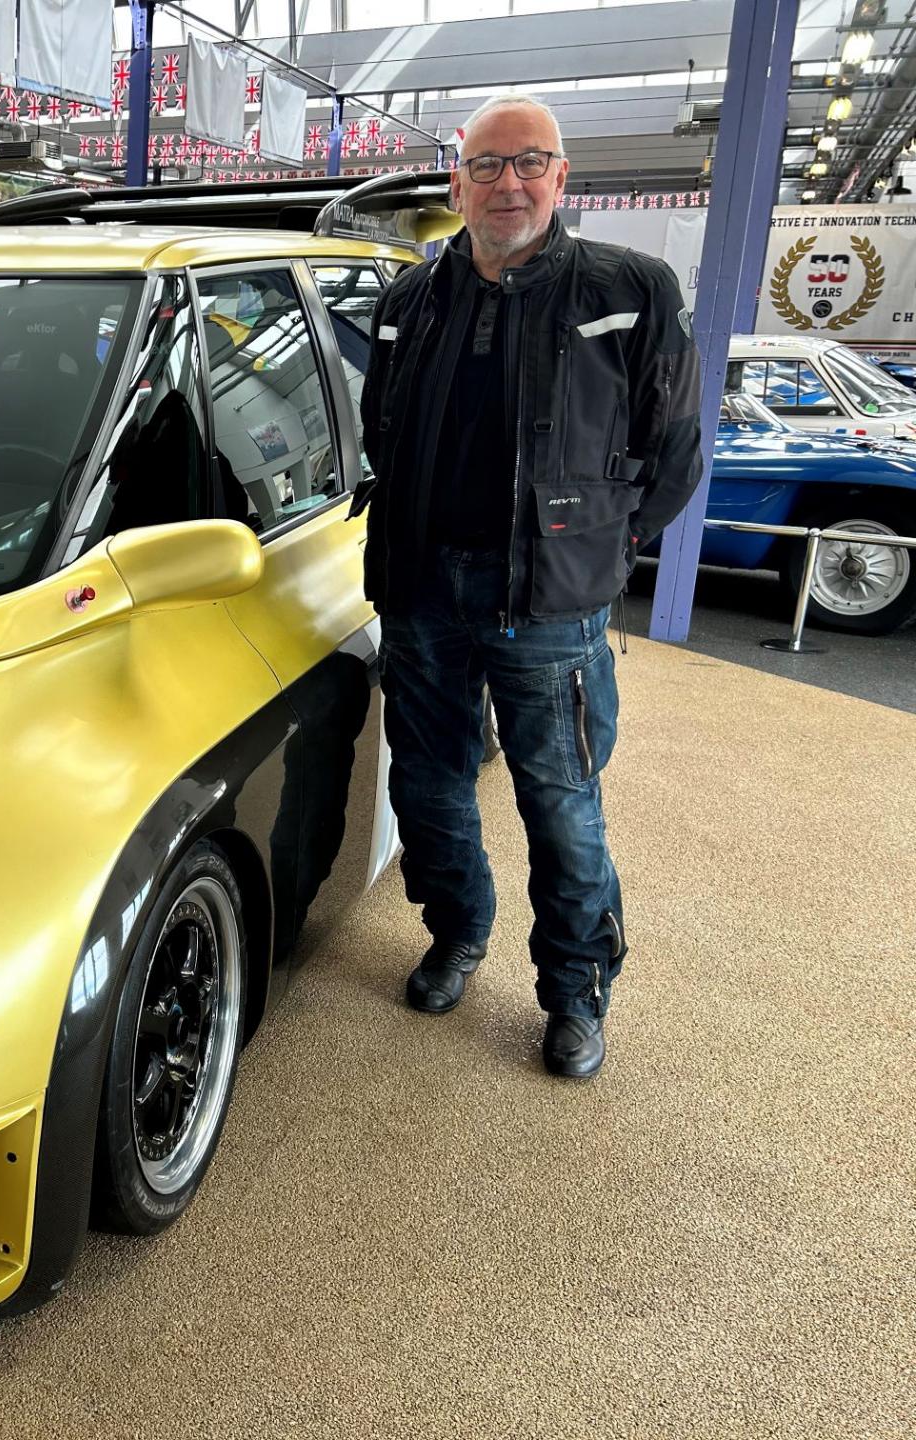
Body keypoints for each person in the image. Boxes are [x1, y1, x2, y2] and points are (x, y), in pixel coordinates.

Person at [354, 94, 701, 1079]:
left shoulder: (628, 290)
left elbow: (676, 448)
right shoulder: (409, 301)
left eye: (529, 163)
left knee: (559, 803)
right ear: (458, 182)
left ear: (560, 176)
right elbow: (382, 430)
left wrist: (600, 548)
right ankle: (457, 931)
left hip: (549, 603)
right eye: (488, 165)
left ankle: (576, 992)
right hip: (422, 591)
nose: (508, 183)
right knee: (428, 784)